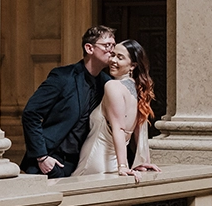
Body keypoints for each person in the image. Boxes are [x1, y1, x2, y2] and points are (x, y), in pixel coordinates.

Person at [21, 26, 117, 178]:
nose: (112, 50)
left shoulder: (108, 84)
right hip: (50, 161)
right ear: (89, 48)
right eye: (107, 45)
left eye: (114, 45)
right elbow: (31, 113)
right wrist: (42, 156)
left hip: (82, 165)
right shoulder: (63, 77)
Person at [73, 39, 161, 180]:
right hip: (116, 162)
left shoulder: (112, 86)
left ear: (132, 66)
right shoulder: (139, 89)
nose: (113, 60)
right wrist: (143, 161)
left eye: (120, 57)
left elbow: (119, 128)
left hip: (96, 158)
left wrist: (123, 166)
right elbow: (139, 129)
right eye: (112, 55)